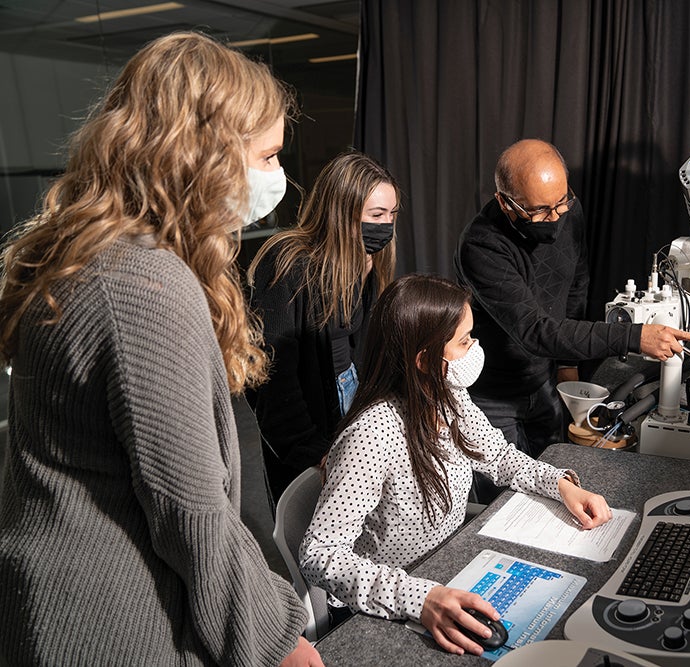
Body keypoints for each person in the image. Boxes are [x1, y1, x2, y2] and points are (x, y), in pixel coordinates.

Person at [0, 32, 322, 666]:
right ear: (203, 156)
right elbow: (191, 512)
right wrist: (277, 641)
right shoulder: (141, 285)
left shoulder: (94, 256)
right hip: (113, 628)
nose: (277, 180)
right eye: (266, 158)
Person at [299, 274, 612, 656]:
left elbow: (497, 455)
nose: (475, 348)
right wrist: (420, 598)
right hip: (389, 604)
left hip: (447, 571)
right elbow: (320, 553)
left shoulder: (448, 397)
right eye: (464, 341)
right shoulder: (372, 434)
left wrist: (561, 484)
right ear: (425, 359)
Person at [455, 139, 690, 460]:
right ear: (505, 203)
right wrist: (633, 336)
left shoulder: (568, 210)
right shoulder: (481, 247)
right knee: (505, 500)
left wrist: (567, 365)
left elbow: (575, 283)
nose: (557, 218)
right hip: (493, 398)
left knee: (556, 476)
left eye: (561, 202)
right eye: (541, 210)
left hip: (544, 385)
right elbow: (535, 331)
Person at [247, 151, 398, 506]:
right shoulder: (287, 262)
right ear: (341, 213)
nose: (387, 226)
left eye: (392, 215)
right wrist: (308, 452)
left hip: (353, 394)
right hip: (309, 411)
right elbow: (270, 373)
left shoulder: (370, 258)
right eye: (376, 215)